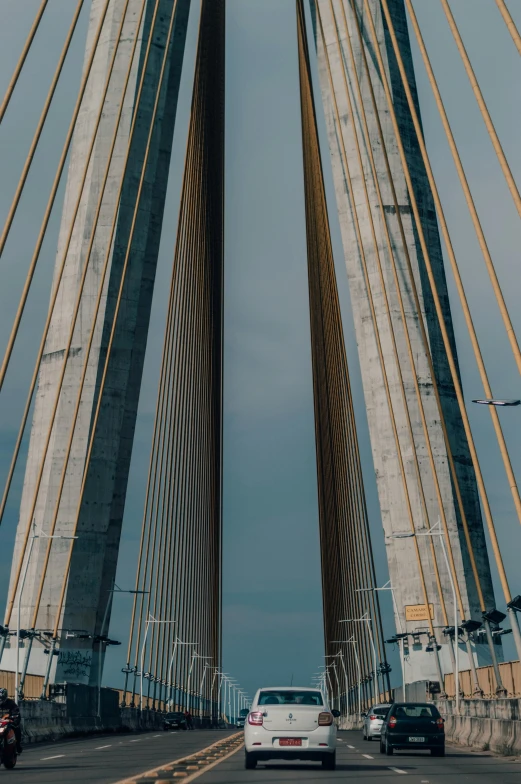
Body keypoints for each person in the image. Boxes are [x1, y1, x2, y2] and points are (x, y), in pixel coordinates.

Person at [0, 688, 22, 754]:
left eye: (1, 698)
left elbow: (16, 712)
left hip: (7, 723)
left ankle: (17, 746)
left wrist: (13, 720)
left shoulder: (11, 703)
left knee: (17, 729)